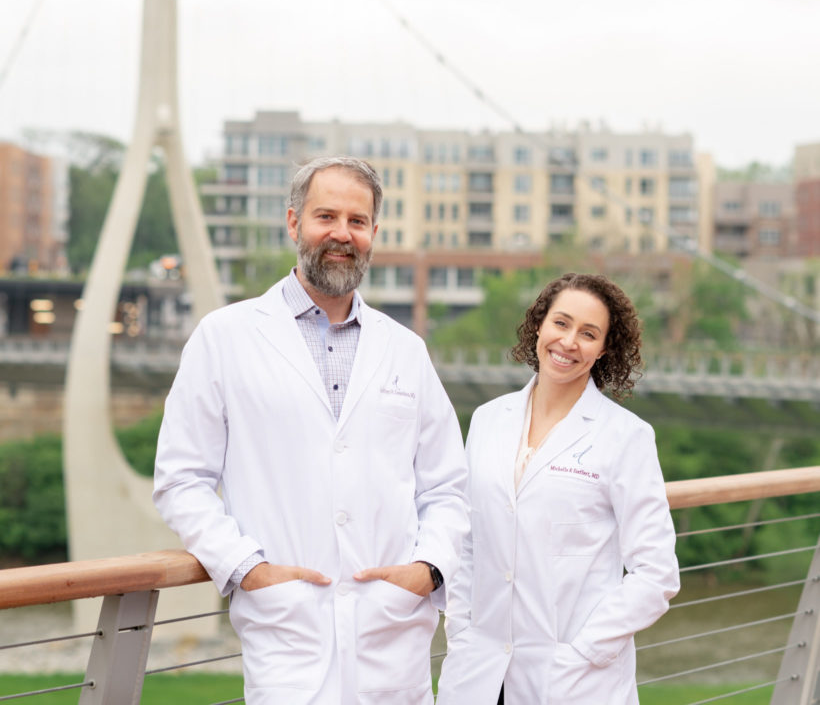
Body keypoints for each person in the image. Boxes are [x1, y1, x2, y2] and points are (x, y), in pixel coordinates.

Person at [153, 157, 468, 705]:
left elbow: (447, 487)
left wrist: (428, 569)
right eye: (327, 216)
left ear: (373, 234)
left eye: (358, 220)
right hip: (288, 634)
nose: (342, 234)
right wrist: (247, 569)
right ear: (294, 222)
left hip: (392, 637)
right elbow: (182, 479)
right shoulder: (223, 337)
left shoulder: (405, 350)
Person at [437, 273, 679, 705]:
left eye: (589, 334)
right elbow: (469, 543)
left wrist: (585, 651)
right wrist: (460, 632)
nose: (569, 342)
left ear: (604, 348)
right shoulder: (489, 419)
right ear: (539, 325)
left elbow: (657, 575)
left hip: (570, 679)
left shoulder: (626, 437)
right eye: (561, 323)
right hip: (480, 672)